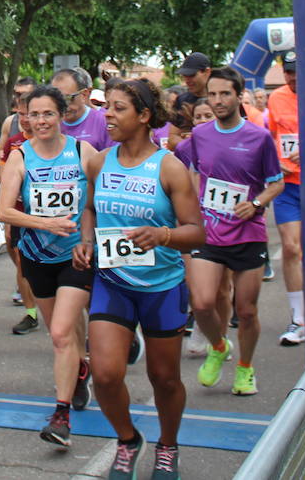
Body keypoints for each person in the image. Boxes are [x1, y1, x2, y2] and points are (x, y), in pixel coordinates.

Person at [76, 78, 205, 480]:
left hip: (162, 287)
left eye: (118, 108)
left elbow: (196, 231)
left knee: (164, 379)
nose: (107, 115)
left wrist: (162, 235)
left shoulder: (169, 167)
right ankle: (128, 440)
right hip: (113, 283)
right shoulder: (99, 161)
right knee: (106, 374)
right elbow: (91, 209)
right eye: (106, 107)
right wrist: (85, 240)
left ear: (144, 116)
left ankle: (167, 445)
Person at [0, 85, 99, 448]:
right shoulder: (20, 157)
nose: (40, 121)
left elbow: (93, 203)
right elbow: (4, 211)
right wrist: (46, 223)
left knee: (59, 334)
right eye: (34, 114)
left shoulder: (82, 152)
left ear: (62, 115)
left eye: (47, 114)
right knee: (64, 336)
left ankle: (61, 415)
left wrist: (87, 240)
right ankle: (81, 367)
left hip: (75, 256)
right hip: (37, 256)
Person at [177, 66, 283, 396]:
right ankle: (219, 346)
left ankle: (245, 368)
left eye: (225, 94)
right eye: (213, 94)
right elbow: (186, 169)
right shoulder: (201, 136)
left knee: (247, 311)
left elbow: (276, 182)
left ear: (239, 96)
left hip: (248, 233)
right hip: (210, 232)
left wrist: (256, 203)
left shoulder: (259, 137)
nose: (219, 100)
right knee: (203, 303)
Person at [265, 51, 305, 345]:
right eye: (288, 72)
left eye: (296, 71)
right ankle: (299, 319)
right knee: (291, 249)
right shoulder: (276, 98)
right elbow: (272, 137)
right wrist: (273, 162)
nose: (292, 78)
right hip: (288, 185)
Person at [1, 90, 41, 334]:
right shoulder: (13, 141)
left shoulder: (57, 142)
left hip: (47, 213)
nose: (25, 118)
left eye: (30, 114)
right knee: (21, 262)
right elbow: (2, 174)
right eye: (21, 113)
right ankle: (31, 313)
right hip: (18, 212)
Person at [53, 68, 111, 150]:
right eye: (56, 99)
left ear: (84, 95)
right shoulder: (49, 123)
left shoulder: (105, 121)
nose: (63, 105)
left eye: (68, 98)